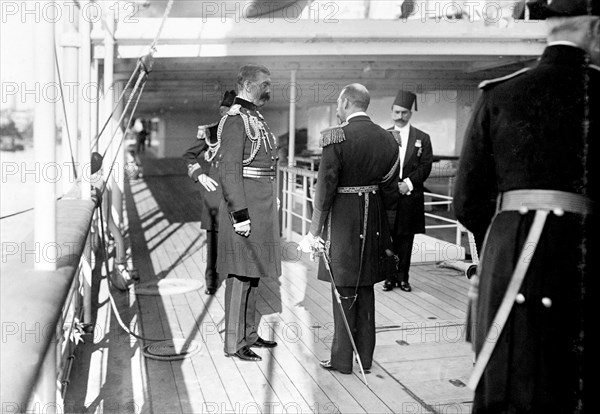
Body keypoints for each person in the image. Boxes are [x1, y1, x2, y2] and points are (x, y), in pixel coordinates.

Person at [453, 0, 599, 411]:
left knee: (506, 378)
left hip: (507, 255)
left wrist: (501, 242)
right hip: (577, 256)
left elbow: (466, 200)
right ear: (592, 28)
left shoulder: (500, 93)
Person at [299, 84, 400, 374]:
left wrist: (315, 231)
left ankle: (343, 360)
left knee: (343, 290)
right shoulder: (388, 139)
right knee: (366, 289)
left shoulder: (336, 137)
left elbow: (325, 188)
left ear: (345, 102)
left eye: (338, 102)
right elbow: (391, 192)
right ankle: (365, 359)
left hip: (342, 222)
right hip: (375, 222)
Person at [212, 65, 279, 362]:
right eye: (266, 84)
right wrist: (240, 213)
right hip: (245, 208)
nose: (269, 89)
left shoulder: (255, 116)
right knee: (240, 275)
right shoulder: (235, 119)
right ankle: (233, 343)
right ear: (250, 85)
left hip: (261, 205)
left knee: (253, 275)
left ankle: (249, 334)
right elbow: (229, 172)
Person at [183, 90, 236, 295]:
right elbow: (189, 156)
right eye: (225, 113)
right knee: (213, 245)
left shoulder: (247, 133)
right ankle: (211, 281)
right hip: (215, 197)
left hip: (236, 197)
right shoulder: (210, 132)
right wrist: (199, 175)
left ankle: (234, 278)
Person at [384, 90, 433, 292]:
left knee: (406, 240)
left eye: (404, 112)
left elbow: (426, 165)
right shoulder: (384, 136)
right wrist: (392, 184)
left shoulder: (422, 137)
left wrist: (408, 184)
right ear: (392, 112)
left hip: (409, 197)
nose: (400, 116)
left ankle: (403, 278)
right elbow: (379, 165)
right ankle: (389, 277)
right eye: (396, 112)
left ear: (410, 113)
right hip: (389, 197)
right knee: (388, 239)